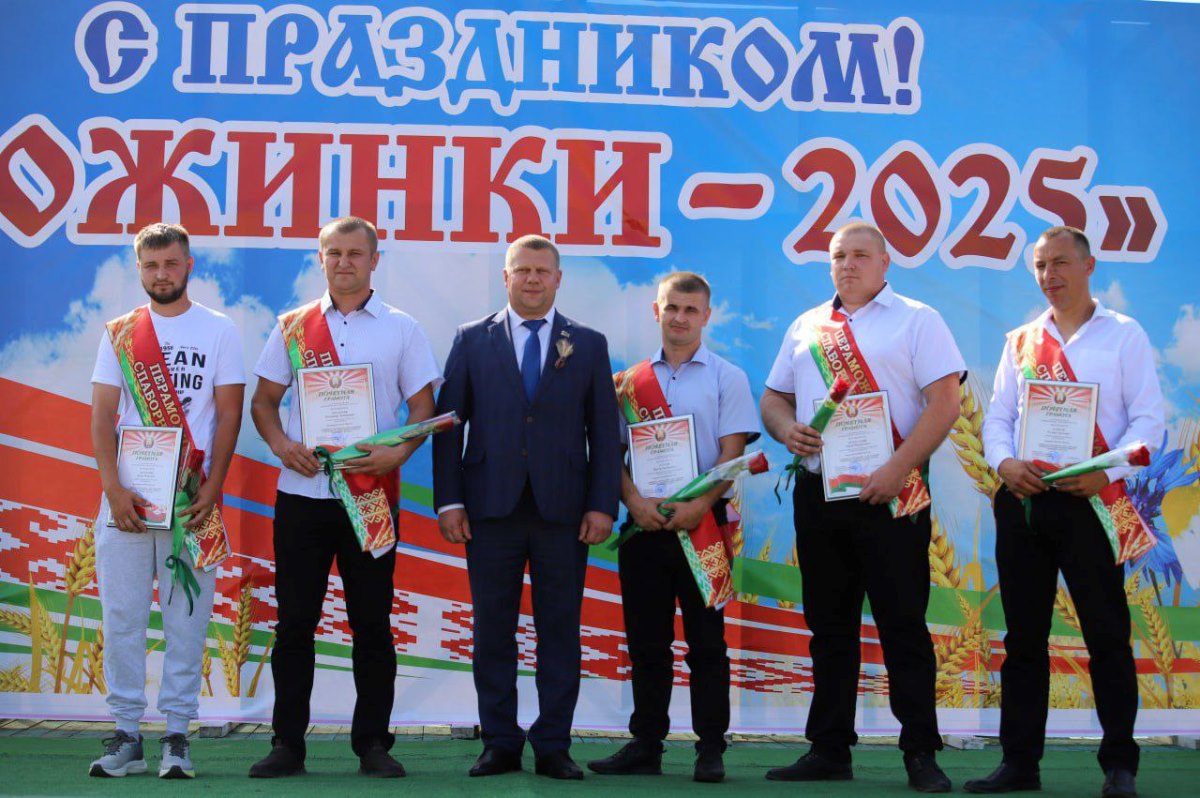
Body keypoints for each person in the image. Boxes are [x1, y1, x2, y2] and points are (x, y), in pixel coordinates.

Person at [760, 221, 963, 792]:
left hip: (892, 495)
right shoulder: (807, 325)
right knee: (829, 627)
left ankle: (920, 752)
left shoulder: (918, 319)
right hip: (821, 496)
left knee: (903, 626)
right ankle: (829, 749)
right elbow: (774, 397)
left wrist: (898, 467)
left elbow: (945, 403)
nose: (847, 265)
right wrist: (786, 429)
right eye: (838, 256)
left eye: (859, 255)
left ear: (885, 262)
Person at [966, 227, 1164, 798]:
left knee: (1107, 635)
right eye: (1040, 265)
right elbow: (998, 417)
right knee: (1023, 639)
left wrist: (1108, 473)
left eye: (1060, 263)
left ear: (1088, 266)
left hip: (1092, 503)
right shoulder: (1022, 340)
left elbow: (1148, 422)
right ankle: (1018, 764)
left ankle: (1119, 766)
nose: (1049, 275)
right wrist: (1004, 464)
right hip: (1025, 502)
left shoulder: (1124, 335)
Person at [247, 217, 440, 779]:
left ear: (375, 260)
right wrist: (282, 445)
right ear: (320, 259)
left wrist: (397, 454)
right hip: (301, 495)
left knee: (372, 624)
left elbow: (423, 408)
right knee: (295, 624)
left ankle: (373, 744)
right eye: (334, 253)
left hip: (370, 494)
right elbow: (263, 402)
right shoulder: (292, 326)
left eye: (355, 253)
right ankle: (287, 744)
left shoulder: (402, 328)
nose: (344, 262)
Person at [433, 234, 621, 780]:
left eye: (542, 270)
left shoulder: (588, 343)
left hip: (565, 512)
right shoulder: (471, 339)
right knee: (493, 630)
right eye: (522, 269)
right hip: (489, 509)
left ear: (558, 278)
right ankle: (499, 742)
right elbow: (449, 427)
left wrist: (602, 505)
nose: (532, 279)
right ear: (506, 277)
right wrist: (449, 501)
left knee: (559, 631)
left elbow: (603, 433)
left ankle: (553, 744)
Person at [586, 272, 759, 783]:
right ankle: (646, 744)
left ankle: (710, 748)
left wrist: (699, 506)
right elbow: (611, 454)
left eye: (690, 309)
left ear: (706, 316)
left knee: (707, 644)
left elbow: (732, 455)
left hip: (705, 529)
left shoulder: (728, 377)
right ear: (656, 311)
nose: (680, 317)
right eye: (671, 308)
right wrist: (633, 502)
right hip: (644, 529)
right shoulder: (628, 382)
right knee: (646, 643)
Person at [89, 222, 245, 779]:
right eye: (151, 265)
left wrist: (214, 486)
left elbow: (229, 414)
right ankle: (126, 734)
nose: (162, 274)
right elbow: (102, 414)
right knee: (123, 619)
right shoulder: (121, 333)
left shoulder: (220, 329)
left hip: (191, 501)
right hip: (127, 502)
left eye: (171, 263)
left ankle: (177, 735)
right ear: (139, 268)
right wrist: (113, 489)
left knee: (187, 622)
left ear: (188, 265)